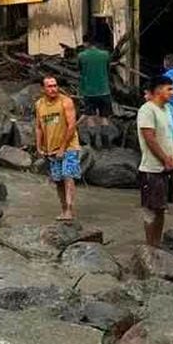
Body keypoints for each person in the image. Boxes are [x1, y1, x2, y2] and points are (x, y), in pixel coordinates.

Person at [137, 75, 173, 247]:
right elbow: (149, 138)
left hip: (166, 167)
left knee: (161, 208)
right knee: (151, 209)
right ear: (158, 90)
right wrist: (165, 158)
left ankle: (157, 243)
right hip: (151, 168)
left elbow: (172, 134)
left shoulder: (167, 109)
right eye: (169, 89)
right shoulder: (147, 110)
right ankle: (150, 245)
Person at [35, 76, 80, 221]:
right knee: (58, 180)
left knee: (68, 175)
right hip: (50, 149)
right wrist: (38, 146)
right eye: (49, 86)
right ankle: (64, 209)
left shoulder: (66, 101)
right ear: (43, 89)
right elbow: (38, 127)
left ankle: (70, 210)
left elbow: (72, 125)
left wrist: (62, 148)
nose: (53, 89)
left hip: (69, 146)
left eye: (55, 85)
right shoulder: (39, 104)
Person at [77, 36, 112, 124]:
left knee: (90, 117)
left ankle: (92, 137)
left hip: (89, 92)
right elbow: (108, 70)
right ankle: (105, 138)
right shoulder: (105, 54)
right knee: (104, 118)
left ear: (85, 43)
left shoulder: (81, 56)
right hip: (104, 91)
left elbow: (81, 71)